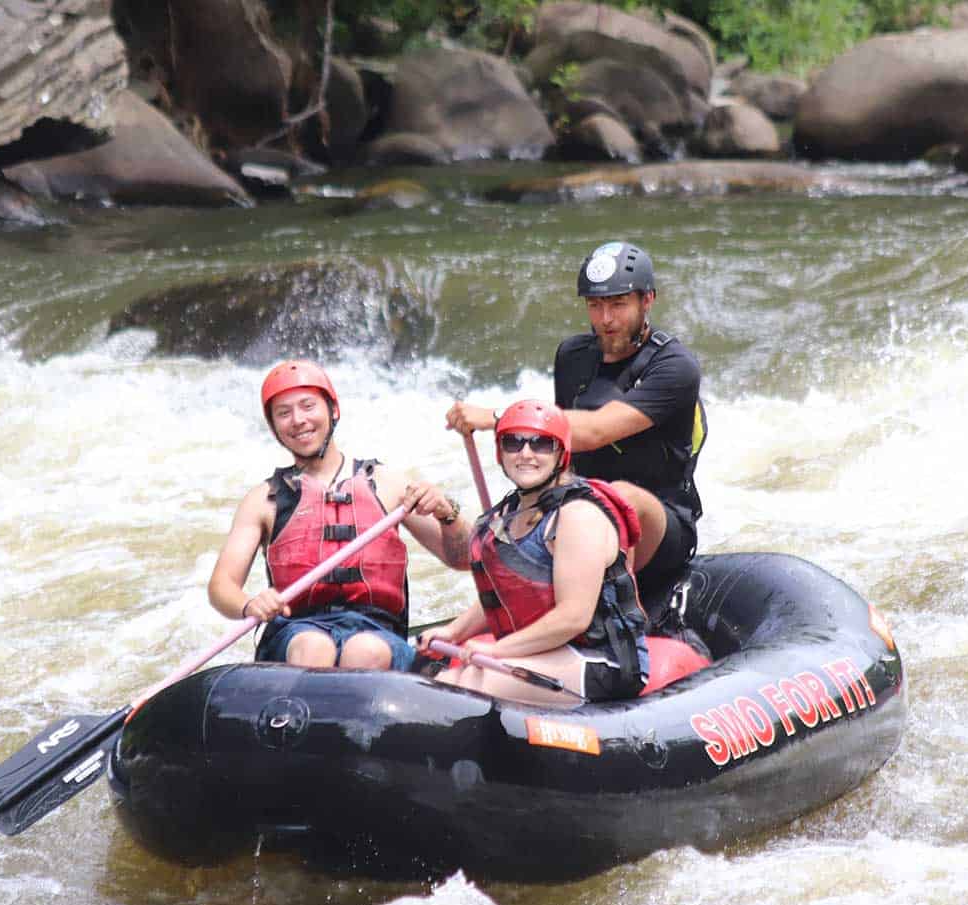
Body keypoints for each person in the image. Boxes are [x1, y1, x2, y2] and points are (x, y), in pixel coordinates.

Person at [445, 240, 705, 621]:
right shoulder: (573, 356)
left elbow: (597, 430)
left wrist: (501, 418)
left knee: (621, 497)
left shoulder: (675, 366)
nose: (605, 319)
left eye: (618, 305)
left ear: (647, 300)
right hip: (579, 509)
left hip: (660, 524)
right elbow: (563, 454)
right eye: (595, 306)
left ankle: (620, 623)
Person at [208, 359, 472, 671]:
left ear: (333, 410)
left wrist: (448, 514)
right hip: (296, 632)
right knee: (313, 646)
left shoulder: (389, 484)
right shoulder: (263, 500)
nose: (298, 420)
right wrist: (249, 604)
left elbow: (464, 558)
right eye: (284, 413)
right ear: (275, 427)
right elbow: (221, 585)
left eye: (308, 406)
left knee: (365, 650)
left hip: (378, 632)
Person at [417, 401, 648, 706]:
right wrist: (453, 631)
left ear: (560, 454)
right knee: (436, 681)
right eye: (513, 443)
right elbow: (504, 593)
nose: (525, 454)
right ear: (500, 453)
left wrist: (497, 651)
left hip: (605, 661)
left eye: (540, 444)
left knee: (457, 691)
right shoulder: (509, 514)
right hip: (552, 651)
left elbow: (573, 617)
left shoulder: (578, 515)